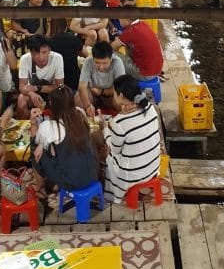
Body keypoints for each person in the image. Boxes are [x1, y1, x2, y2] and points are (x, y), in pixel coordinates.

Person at [101, 75, 161, 204]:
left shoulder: (119, 122)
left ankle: (112, 196)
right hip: (153, 167)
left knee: (108, 156)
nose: (114, 96)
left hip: (132, 175)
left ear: (121, 96)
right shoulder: (150, 108)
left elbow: (115, 150)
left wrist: (106, 129)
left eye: (115, 94)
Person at [31, 86, 98, 200]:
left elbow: (35, 141)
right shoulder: (80, 114)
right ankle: (56, 182)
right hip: (92, 174)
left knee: (35, 149)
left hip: (74, 182)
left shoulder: (49, 126)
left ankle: (40, 188)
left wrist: (33, 122)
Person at [111, 0, 164, 78]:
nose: (118, 19)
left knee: (109, 54)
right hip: (157, 69)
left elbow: (110, 48)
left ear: (127, 20)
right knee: (125, 45)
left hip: (144, 74)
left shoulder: (130, 31)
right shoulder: (143, 24)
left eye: (120, 17)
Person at [17, 35, 65, 115]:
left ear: (49, 50)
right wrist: (31, 93)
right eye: (36, 53)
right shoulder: (25, 59)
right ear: (31, 52)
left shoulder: (57, 58)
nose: (41, 57)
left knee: (62, 98)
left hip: (51, 92)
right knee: (21, 99)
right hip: (32, 92)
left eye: (44, 52)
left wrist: (37, 88)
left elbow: (60, 86)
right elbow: (22, 86)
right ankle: (25, 125)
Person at [77, 41, 126, 117]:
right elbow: (82, 87)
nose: (101, 67)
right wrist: (87, 106)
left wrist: (102, 91)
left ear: (111, 59)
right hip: (93, 93)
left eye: (105, 63)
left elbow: (121, 88)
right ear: (92, 58)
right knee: (78, 99)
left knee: (122, 102)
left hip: (111, 95)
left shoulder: (117, 62)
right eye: (97, 62)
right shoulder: (88, 61)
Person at [48, 17, 85, 91]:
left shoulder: (49, 43)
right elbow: (85, 54)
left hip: (56, 82)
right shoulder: (74, 39)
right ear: (66, 26)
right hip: (74, 80)